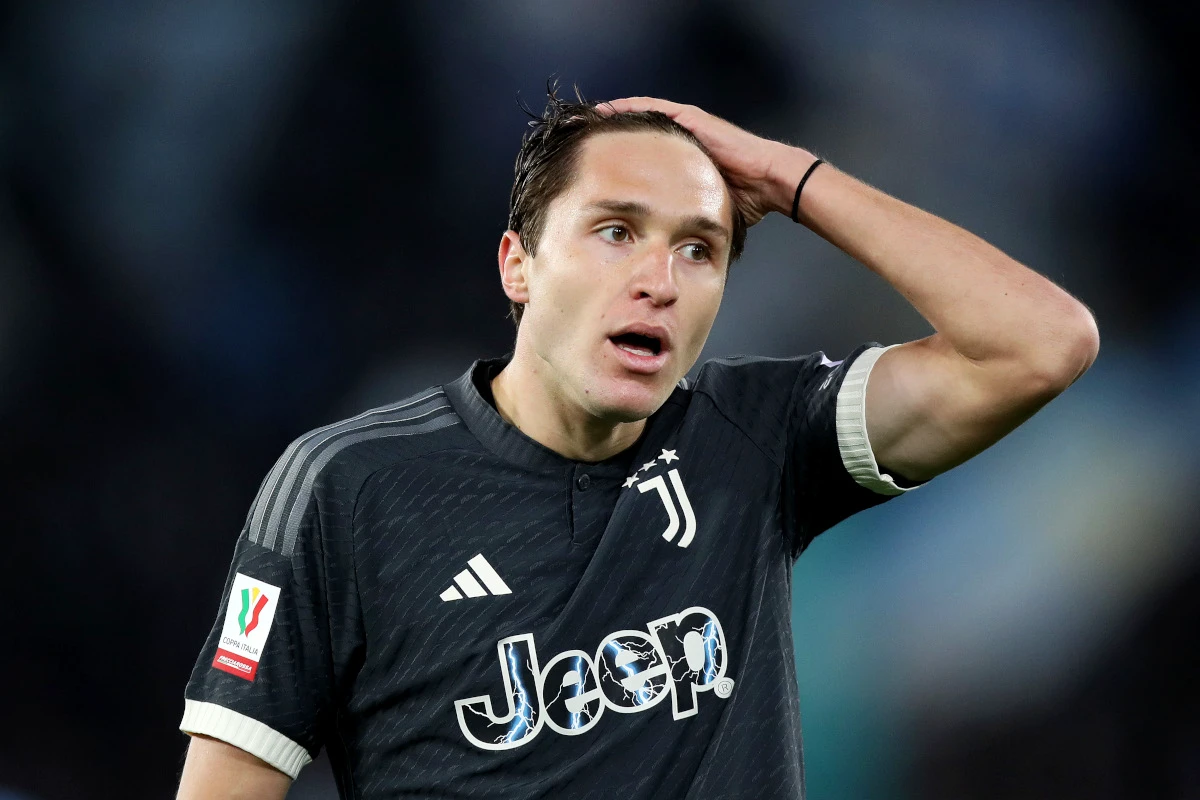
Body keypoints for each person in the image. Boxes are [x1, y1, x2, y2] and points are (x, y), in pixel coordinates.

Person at [176, 90, 1099, 799]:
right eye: (616, 231)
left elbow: (1041, 344)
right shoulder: (351, 485)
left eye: (699, 249)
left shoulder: (759, 437)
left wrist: (788, 178)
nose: (658, 279)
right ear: (519, 263)